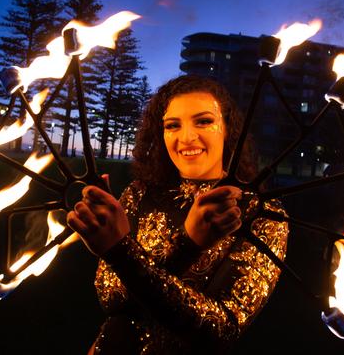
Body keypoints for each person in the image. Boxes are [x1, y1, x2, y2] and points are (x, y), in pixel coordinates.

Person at [67, 75, 288, 354]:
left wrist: (122, 251)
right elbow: (111, 299)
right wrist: (179, 246)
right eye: (173, 125)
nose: (186, 137)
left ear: (228, 129)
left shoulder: (262, 214)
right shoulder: (140, 194)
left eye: (204, 121)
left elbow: (221, 329)